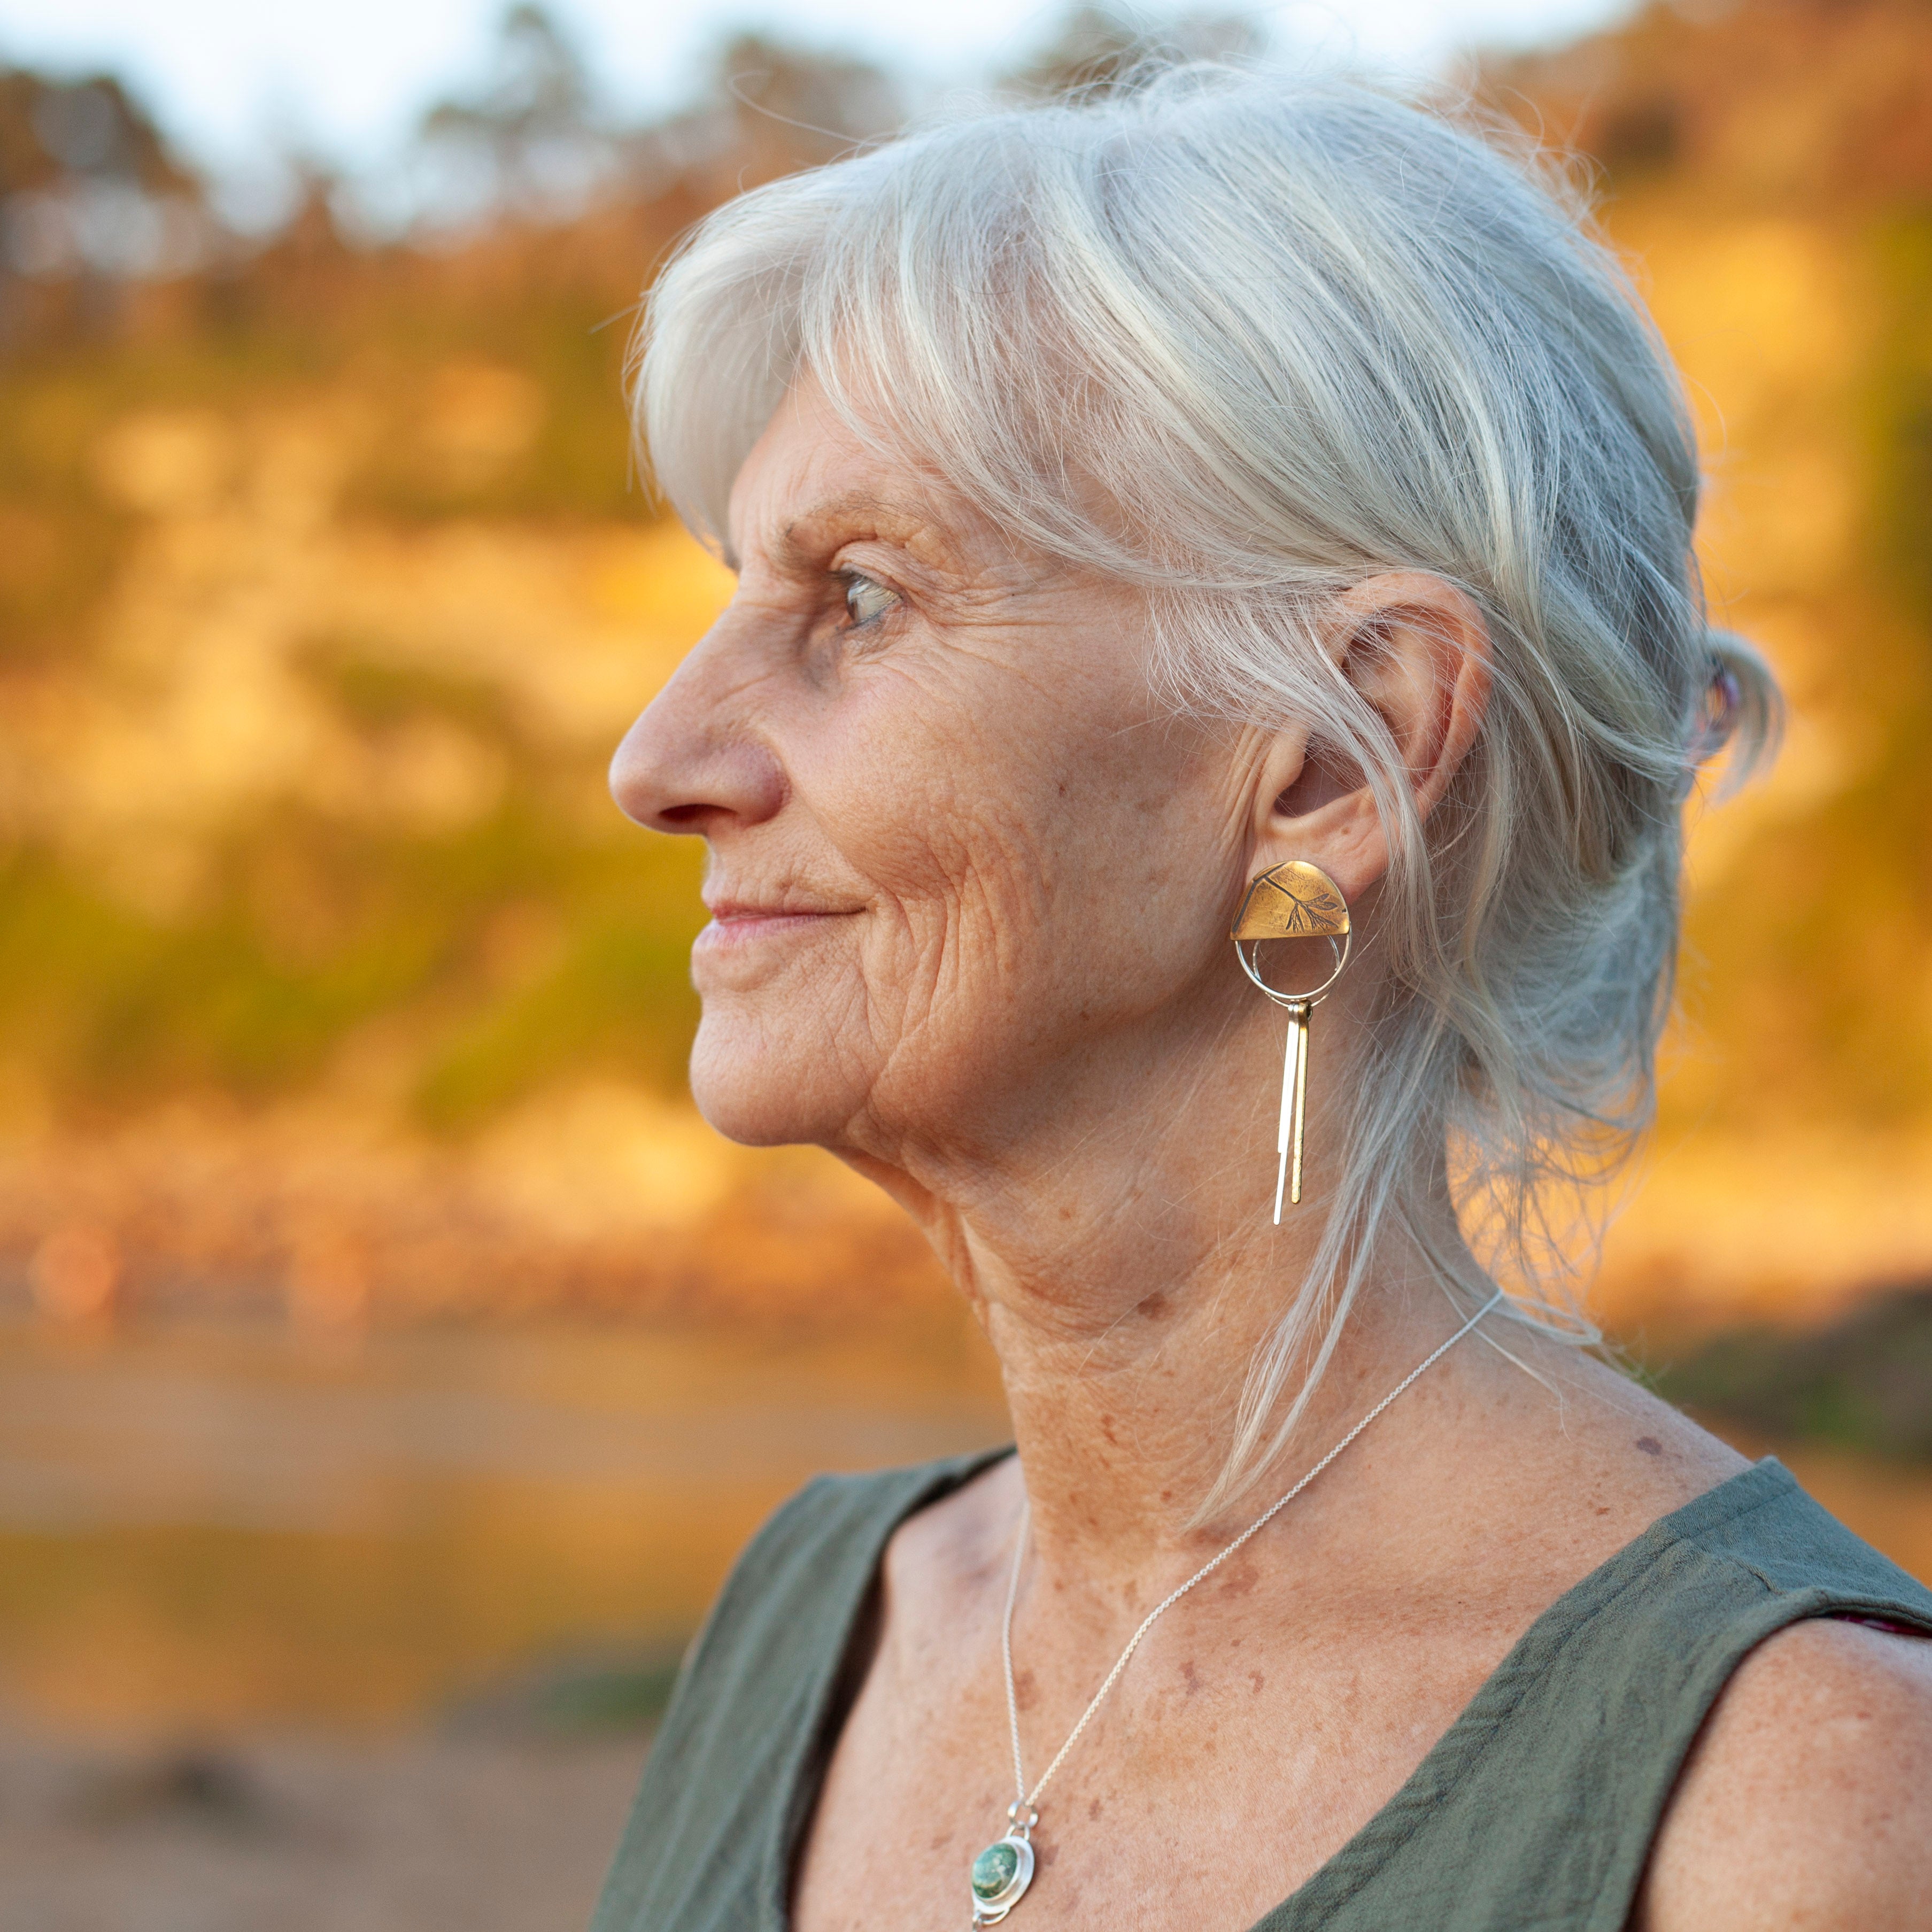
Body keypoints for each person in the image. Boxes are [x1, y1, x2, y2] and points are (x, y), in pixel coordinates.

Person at [597, 66, 1932, 1932]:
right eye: (742, 588)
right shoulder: (821, 1619)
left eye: (867, 599)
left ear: (1333, 751)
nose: (657, 758)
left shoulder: (1806, 1802)